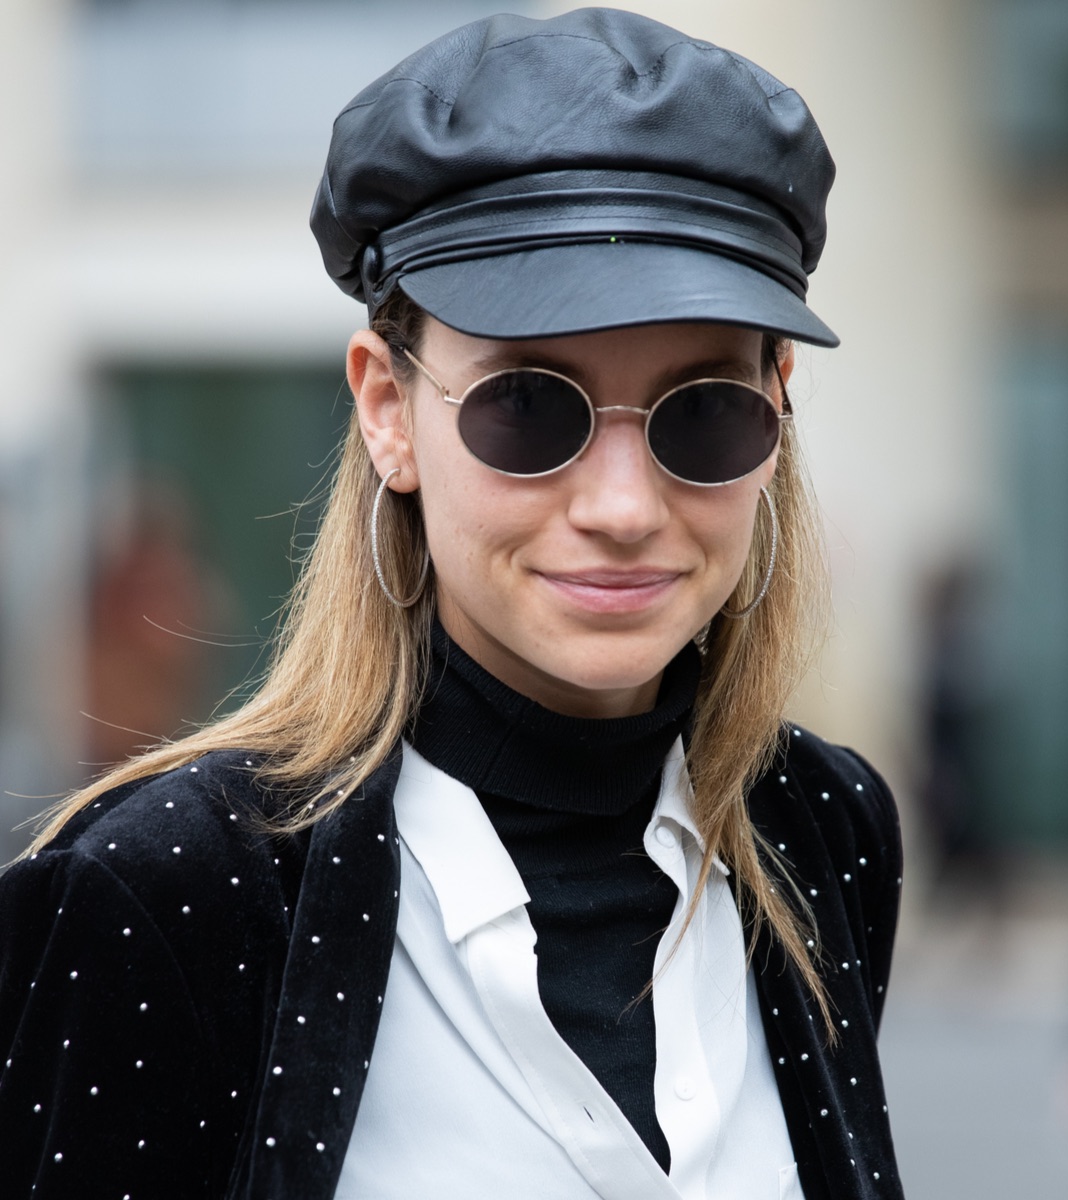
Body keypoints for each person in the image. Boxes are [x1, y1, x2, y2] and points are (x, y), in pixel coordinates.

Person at [0, 9, 904, 1199]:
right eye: (530, 408)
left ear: (779, 408)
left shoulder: (823, 830)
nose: (625, 505)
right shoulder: (166, 895)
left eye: (704, 410)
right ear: (388, 409)